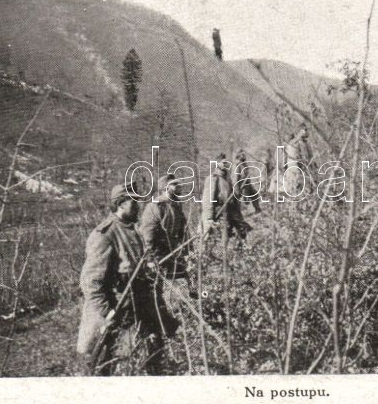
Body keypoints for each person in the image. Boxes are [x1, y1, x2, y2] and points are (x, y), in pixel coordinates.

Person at [76, 184, 178, 376]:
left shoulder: (133, 229)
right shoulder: (104, 235)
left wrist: (149, 266)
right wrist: (107, 312)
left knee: (155, 348)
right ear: (120, 204)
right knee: (108, 362)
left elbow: (137, 260)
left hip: (140, 300)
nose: (139, 206)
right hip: (118, 306)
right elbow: (90, 282)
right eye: (133, 201)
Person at [139, 174, 190, 281]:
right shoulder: (155, 206)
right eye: (174, 184)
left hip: (173, 253)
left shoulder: (176, 205)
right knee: (156, 285)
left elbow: (184, 232)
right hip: (157, 255)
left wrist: (189, 253)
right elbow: (148, 235)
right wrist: (150, 260)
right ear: (165, 187)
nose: (178, 186)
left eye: (178, 184)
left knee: (187, 275)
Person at [201, 154, 251, 245]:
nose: (225, 164)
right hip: (220, 212)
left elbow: (233, 195)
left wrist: (236, 195)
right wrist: (209, 218)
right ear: (217, 164)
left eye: (226, 162)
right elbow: (208, 200)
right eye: (223, 162)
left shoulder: (228, 178)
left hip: (232, 211)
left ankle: (241, 252)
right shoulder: (213, 178)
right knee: (223, 238)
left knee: (244, 230)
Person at [283, 123, 315, 195]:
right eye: (305, 130)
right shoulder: (293, 142)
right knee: (296, 181)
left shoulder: (305, 143)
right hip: (294, 164)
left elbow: (309, 155)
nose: (307, 132)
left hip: (302, 164)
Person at [232, 148, 262, 213]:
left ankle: (258, 210)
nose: (243, 155)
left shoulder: (244, 164)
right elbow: (236, 179)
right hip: (242, 185)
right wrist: (237, 190)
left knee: (255, 195)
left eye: (243, 154)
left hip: (247, 184)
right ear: (239, 156)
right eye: (242, 154)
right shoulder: (237, 166)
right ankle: (239, 213)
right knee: (243, 201)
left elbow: (247, 174)